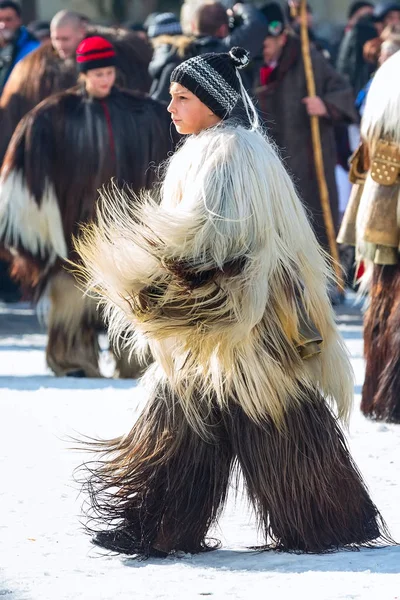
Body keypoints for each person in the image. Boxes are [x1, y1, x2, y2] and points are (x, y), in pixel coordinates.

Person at [74, 46, 390, 556]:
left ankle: (324, 521)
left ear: (214, 102)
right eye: (171, 97)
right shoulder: (213, 149)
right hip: (220, 321)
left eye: (181, 98)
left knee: (272, 422)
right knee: (184, 421)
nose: (170, 107)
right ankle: (155, 525)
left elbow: (219, 241)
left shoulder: (231, 154)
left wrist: (157, 273)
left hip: (248, 322)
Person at [0, 36, 173, 378]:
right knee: (71, 301)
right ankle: (73, 362)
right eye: (97, 74)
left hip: (127, 231)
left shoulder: (143, 113)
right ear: (83, 75)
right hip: (72, 229)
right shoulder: (53, 116)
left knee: (132, 301)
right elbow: (25, 165)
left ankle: (135, 363)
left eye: (109, 72)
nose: (105, 79)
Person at [255, 3, 357, 252]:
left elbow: (342, 90)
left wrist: (325, 104)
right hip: (265, 158)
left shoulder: (306, 58)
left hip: (305, 158)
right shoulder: (250, 61)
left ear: (280, 37)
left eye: (266, 44)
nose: (263, 51)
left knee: (310, 220)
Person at [0, 10, 152, 164]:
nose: (59, 45)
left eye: (65, 39)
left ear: (81, 33)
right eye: (55, 39)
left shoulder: (110, 55)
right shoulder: (52, 70)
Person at [338, 50, 400, 422]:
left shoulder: (389, 69)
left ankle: (381, 395)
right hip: (386, 192)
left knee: (382, 299)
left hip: (379, 198)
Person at [149, 1, 268, 103]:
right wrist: (239, 7)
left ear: (193, 26)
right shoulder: (225, 52)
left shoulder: (174, 56)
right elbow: (257, 24)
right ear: (223, 30)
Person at [0, 0, 39, 92]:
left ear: (19, 20)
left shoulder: (33, 49)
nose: (3, 25)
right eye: (0, 20)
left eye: (8, 20)